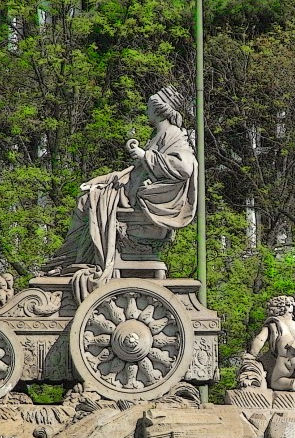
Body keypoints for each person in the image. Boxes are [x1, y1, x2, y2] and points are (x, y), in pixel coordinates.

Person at [44, 87, 197, 299]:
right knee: (88, 196)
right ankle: (69, 258)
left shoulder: (173, 134)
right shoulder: (159, 135)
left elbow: (185, 167)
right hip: (132, 190)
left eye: (149, 106)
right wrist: (102, 179)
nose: (146, 111)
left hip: (143, 198)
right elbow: (134, 172)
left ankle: (70, 259)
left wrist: (145, 155)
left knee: (89, 201)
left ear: (158, 109)